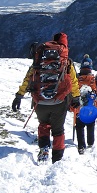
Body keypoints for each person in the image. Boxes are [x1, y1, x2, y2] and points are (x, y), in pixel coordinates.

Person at [11, 32, 80, 163]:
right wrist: (76, 98)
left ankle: (44, 148)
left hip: (40, 101)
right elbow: (74, 82)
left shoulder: (39, 60)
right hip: (60, 101)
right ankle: (57, 158)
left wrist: (19, 95)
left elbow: (28, 79)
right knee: (58, 130)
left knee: (43, 125)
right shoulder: (66, 63)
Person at [75, 54, 97, 154]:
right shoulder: (95, 79)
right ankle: (90, 143)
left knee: (79, 126)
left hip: (79, 108)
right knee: (90, 124)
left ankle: (81, 146)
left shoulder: (77, 79)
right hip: (92, 107)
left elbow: (73, 92)